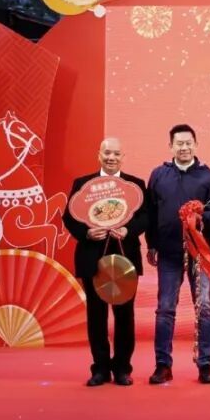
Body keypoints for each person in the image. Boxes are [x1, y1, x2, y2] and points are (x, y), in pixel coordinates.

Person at [63, 137, 148, 387]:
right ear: (99, 155)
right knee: (96, 315)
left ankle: (122, 368)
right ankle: (100, 369)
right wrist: (87, 233)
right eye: (107, 153)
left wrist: (129, 230)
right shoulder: (83, 185)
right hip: (93, 259)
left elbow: (146, 217)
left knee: (124, 316)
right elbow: (69, 218)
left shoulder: (136, 185)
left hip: (125, 259)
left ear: (123, 157)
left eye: (116, 154)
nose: (111, 158)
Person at [145, 124, 210, 385]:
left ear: (195, 145)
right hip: (168, 254)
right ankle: (162, 365)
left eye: (188, 143)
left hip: (201, 254)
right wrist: (151, 244)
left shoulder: (209, 177)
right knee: (165, 308)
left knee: (205, 308)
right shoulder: (158, 175)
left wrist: (200, 217)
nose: (184, 147)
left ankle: (205, 364)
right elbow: (151, 213)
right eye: (179, 143)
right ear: (171, 146)